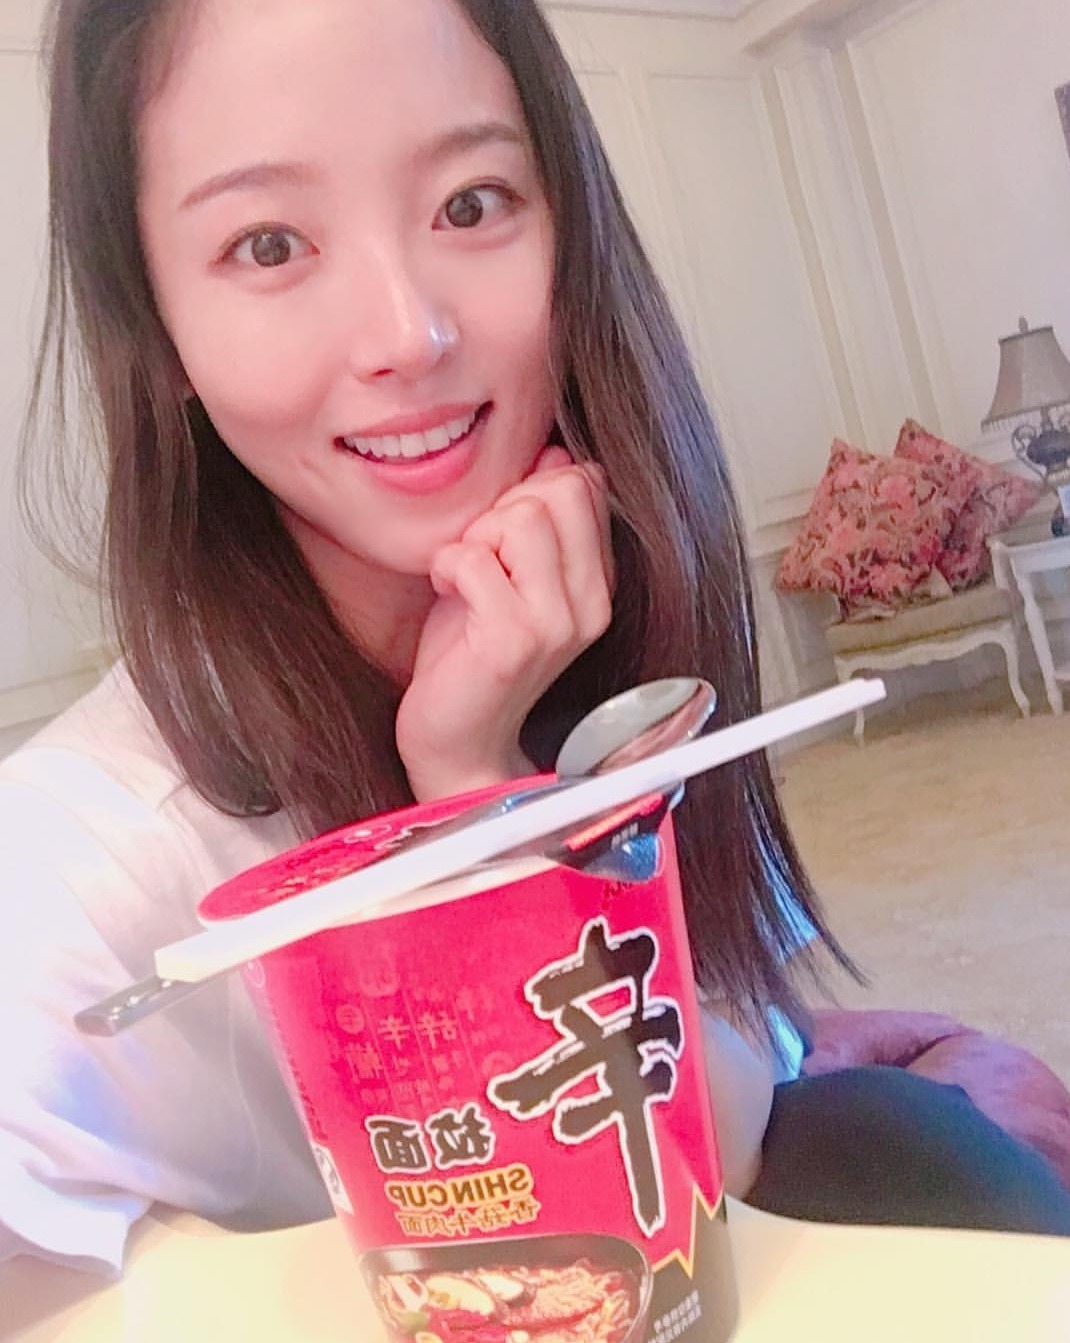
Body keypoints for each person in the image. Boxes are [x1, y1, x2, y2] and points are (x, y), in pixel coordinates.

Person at [3, 0, 1068, 1276]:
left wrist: (480, 781)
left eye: (470, 204)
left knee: (923, 1153)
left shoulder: (605, 610)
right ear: (156, 322)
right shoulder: (76, 866)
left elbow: (729, 1129)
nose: (408, 334)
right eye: (268, 243)